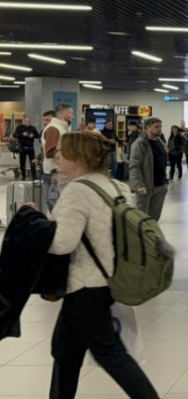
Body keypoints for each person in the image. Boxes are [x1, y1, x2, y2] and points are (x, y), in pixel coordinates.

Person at [45, 132, 159, 399]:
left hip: (84, 287)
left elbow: (62, 244)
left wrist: (34, 227)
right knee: (65, 352)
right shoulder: (117, 186)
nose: (56, 155)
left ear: (78, 157)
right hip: (108, 280)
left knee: (111, 354)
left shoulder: (77, 191)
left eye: (62, 150)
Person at [128, 117, 168, 221]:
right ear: (147, 127)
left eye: (160, 126)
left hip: (160, 185)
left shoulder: (160, 142)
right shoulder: (140, 144)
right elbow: (134, 166)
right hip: (146, 186)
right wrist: (139, 185)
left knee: (154, 218)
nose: (159, 129)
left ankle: (151, 231)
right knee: (141, 217)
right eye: (156, 127)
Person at [42, 104, 73, 210]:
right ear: (65, 114)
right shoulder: (53, 128)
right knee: (55, 204)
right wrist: (70, 152)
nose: (73, 116)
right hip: (54, 172)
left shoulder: (62, 127)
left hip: (60, 171)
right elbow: (50, 152)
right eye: (71, 113)